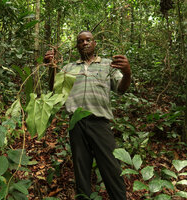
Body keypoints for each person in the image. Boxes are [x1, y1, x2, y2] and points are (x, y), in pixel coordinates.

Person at [44, 31, 131, 200]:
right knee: (81, 169)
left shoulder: (108, 64)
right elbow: (55, 89)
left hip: (100, 122)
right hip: (76, 123)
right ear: (77, 45)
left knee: (111, 167)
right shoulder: (68, 68)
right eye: (80, 41)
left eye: (88, 40)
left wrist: (127, 72)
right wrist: (52, 67)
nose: (84, 43)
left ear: (94, 43)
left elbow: (121, 89)